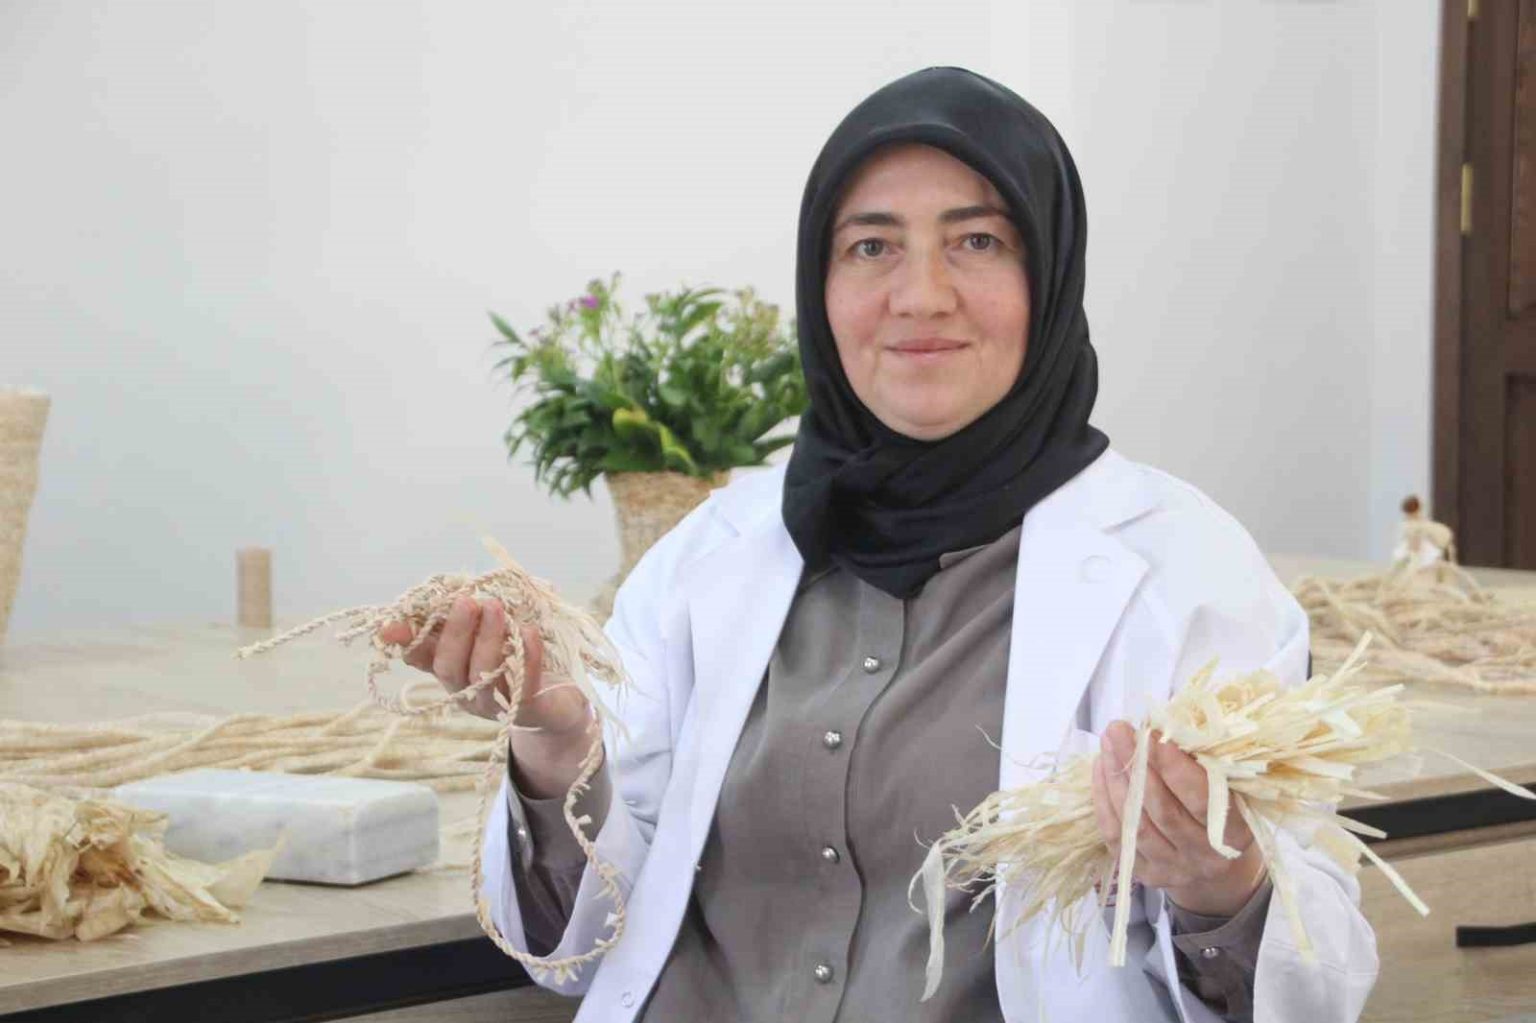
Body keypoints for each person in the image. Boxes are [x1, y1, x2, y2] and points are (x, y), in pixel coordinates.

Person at [379, 66, 1378, 1023]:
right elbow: (573, 956)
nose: (921, 294)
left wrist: (1222, 887)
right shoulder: (710, 555)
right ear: (820, 284)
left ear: (1049, 271)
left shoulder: (1185, 571)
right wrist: (558, 750)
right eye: (871, 246)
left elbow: (1317, 988)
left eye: (977, 240)